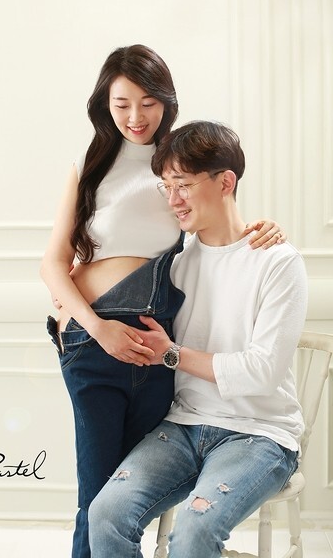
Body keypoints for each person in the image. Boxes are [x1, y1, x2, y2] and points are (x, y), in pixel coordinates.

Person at [40, 46, 285, 558]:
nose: (135, 116)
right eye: (122, 104)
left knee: (126, 500)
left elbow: (217, 209)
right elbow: (53, 264)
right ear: (104, 105)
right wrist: (94, 326)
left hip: (158, 347)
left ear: (167, 102)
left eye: (148, 103)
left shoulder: (177, 161)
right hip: (94, 341)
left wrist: (265, 225)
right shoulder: (90, 166)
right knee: (96, 496)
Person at [88, 120, 307, 558]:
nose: (173, 200)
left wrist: (171, 355)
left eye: (183, 185)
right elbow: (90, 267)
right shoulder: (172, 264)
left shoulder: (277, 262)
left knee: (194, 530)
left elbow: (262, 373)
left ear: (226, 182)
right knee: (106, 513)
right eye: (166, 187)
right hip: (184, 426)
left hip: (260, 433)